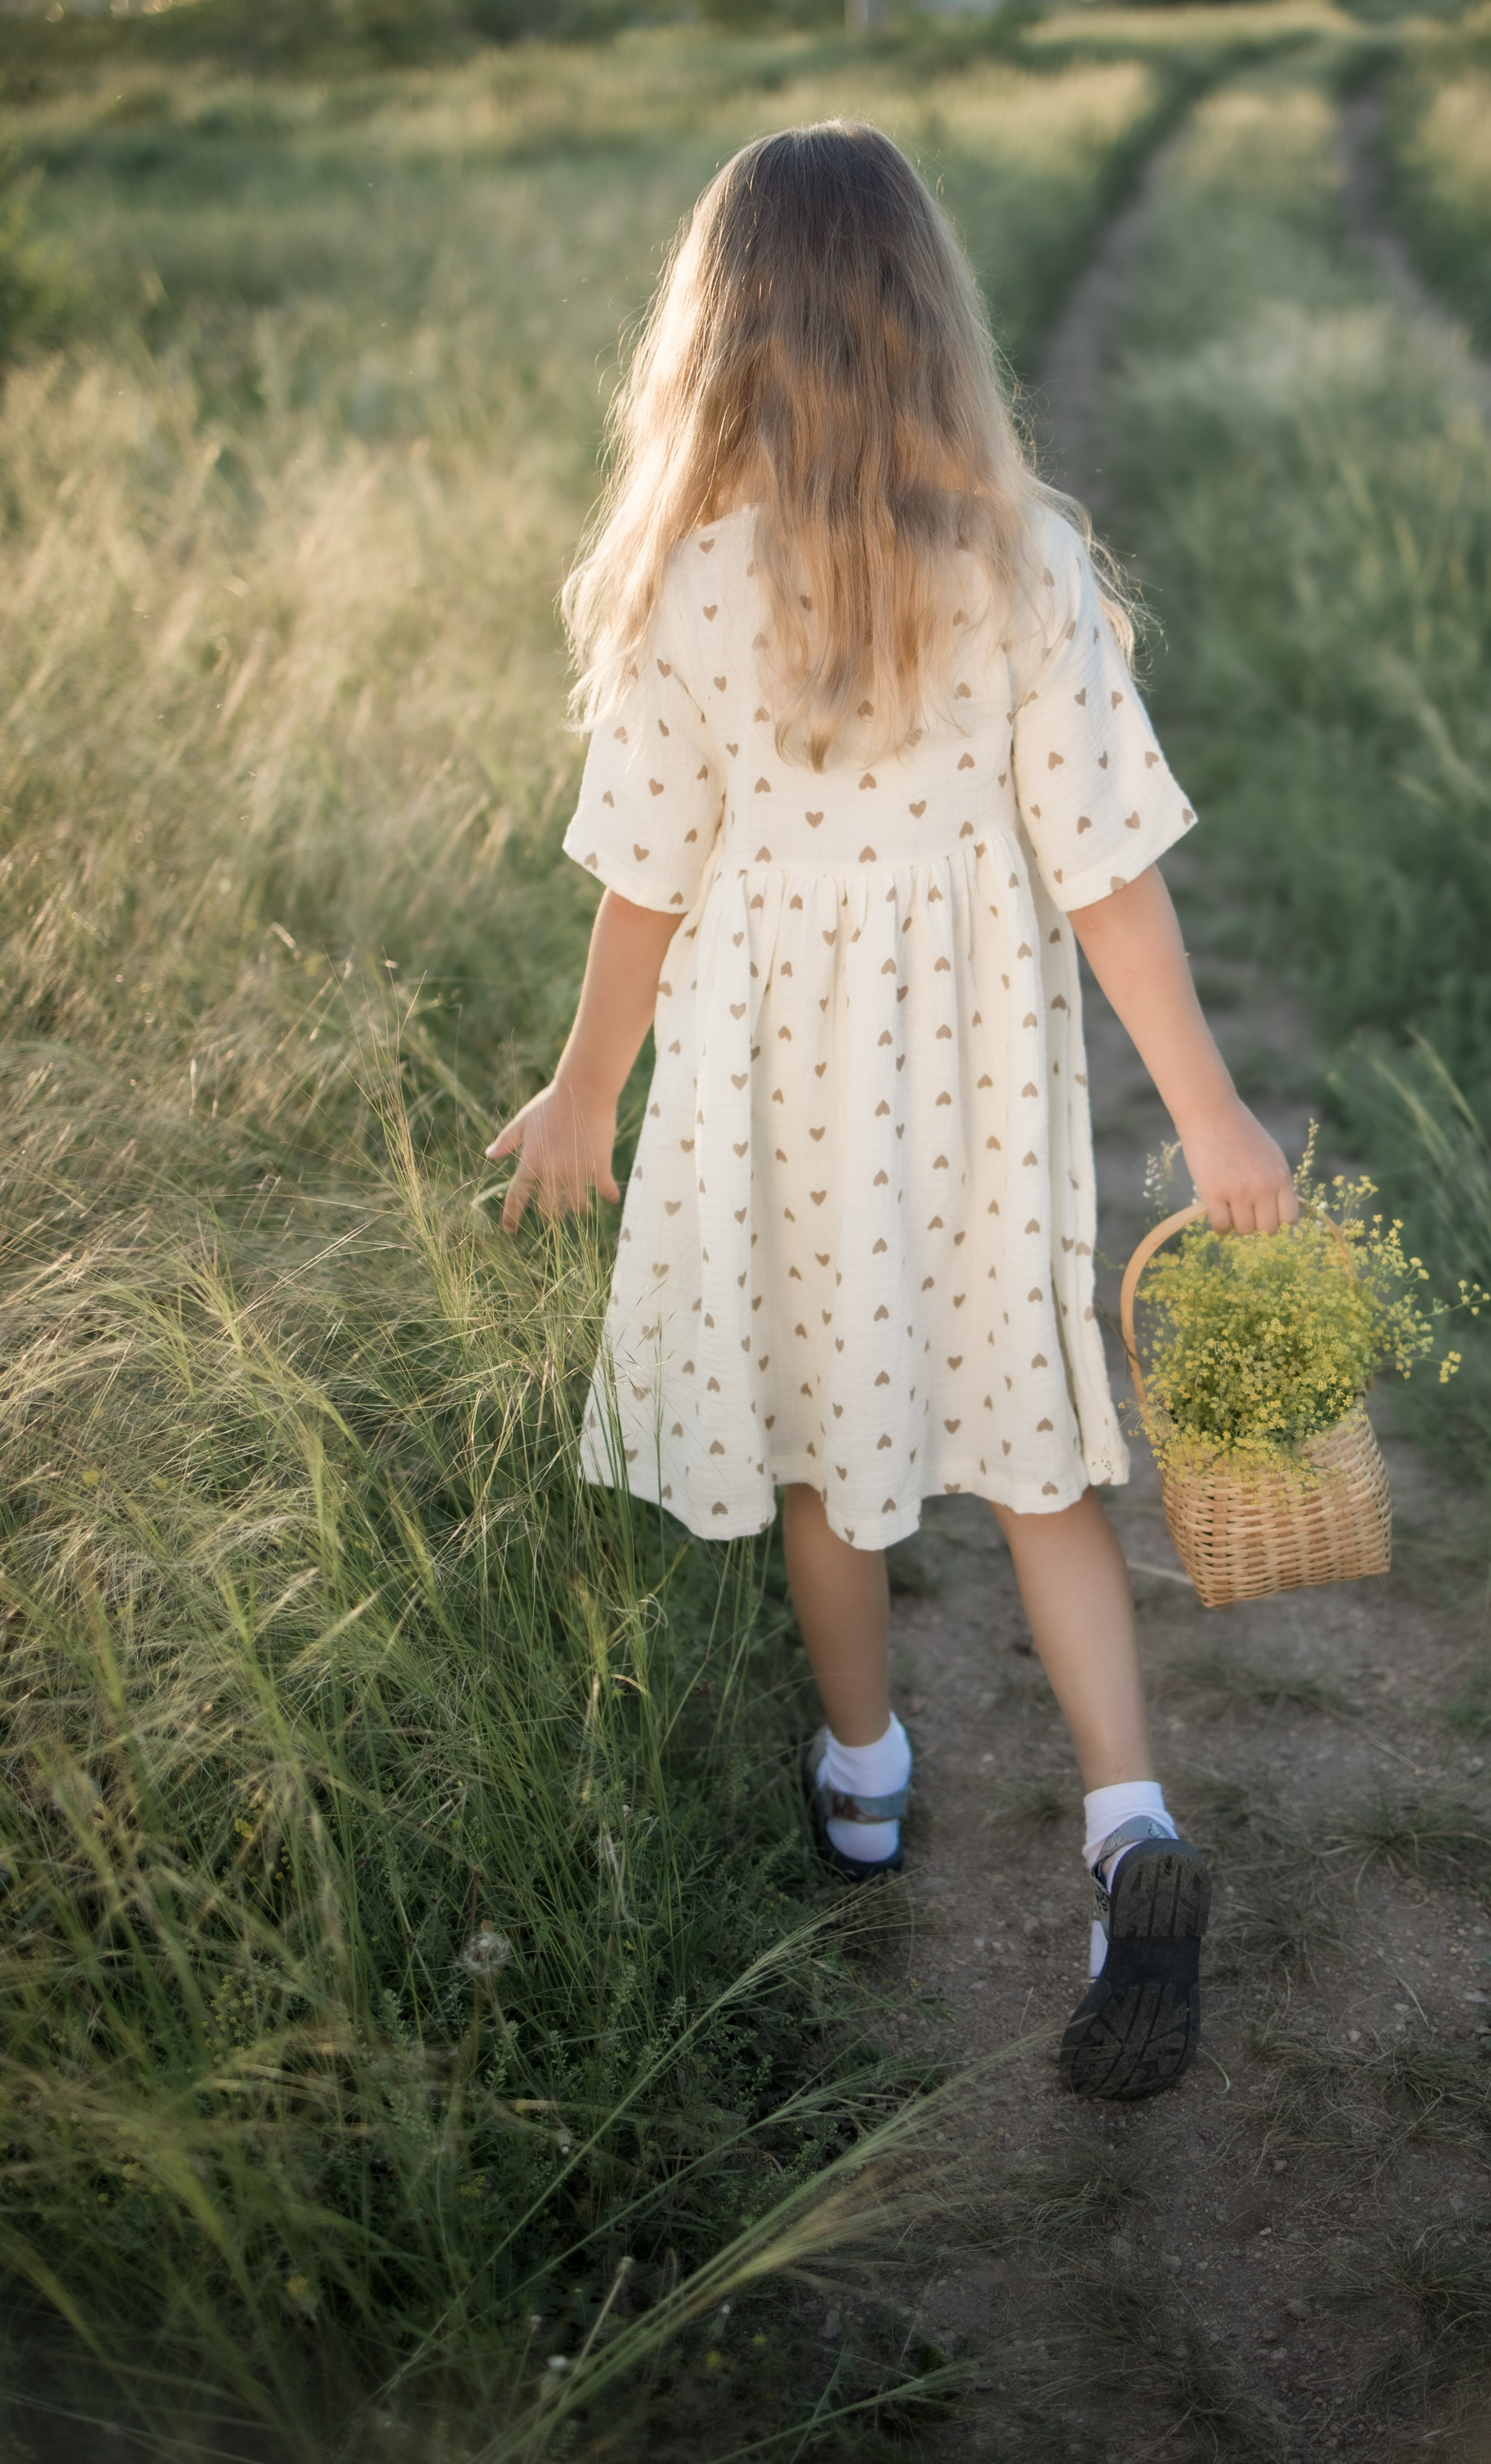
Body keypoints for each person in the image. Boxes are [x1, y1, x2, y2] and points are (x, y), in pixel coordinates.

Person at [486, 122, 1298, 2101]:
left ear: (722, 332)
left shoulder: (687, 585)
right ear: (930, 317)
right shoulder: (1021, 564)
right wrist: (1214, 1122)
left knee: (815, 1445)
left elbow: (646, 882)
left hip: (774, 1098)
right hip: (978, 1094)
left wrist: (586, 1091)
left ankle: (864, 1777)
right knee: (1040, 1457)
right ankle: (1127, 1825)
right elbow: (1110, 874)